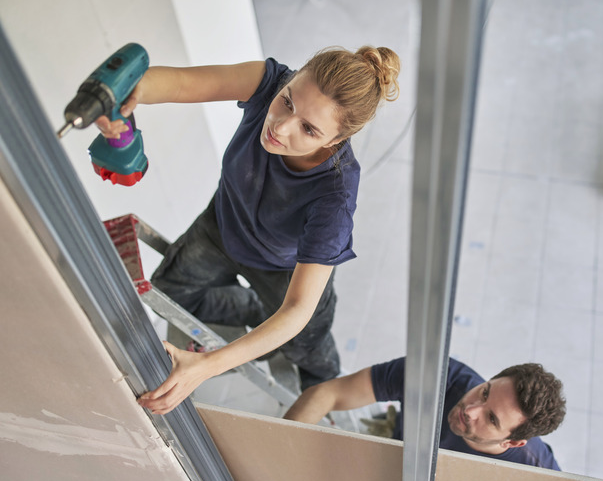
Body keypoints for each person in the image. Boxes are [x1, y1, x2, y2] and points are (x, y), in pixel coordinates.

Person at [96, 46, 401, 415]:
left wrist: (207, 366)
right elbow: (178, 84)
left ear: (334, 141)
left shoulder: (334, 197)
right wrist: (123, 95)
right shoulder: (267, 81)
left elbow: (298, 308)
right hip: (224, 227)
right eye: (287, 102)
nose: (281, 127)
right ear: (289, 81)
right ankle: (258, 311)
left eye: (308, 129)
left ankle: (318, 385)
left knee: (304, 346)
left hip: (285, 271)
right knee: (171, 292)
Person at [283, 356, 566, 470]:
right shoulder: (438, 376)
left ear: (512, 442)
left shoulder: (534, 467)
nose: (470, 410)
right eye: (484, 391)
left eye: (491, 418)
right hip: (400, 465)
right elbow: (327, 393)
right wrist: (279, 448)